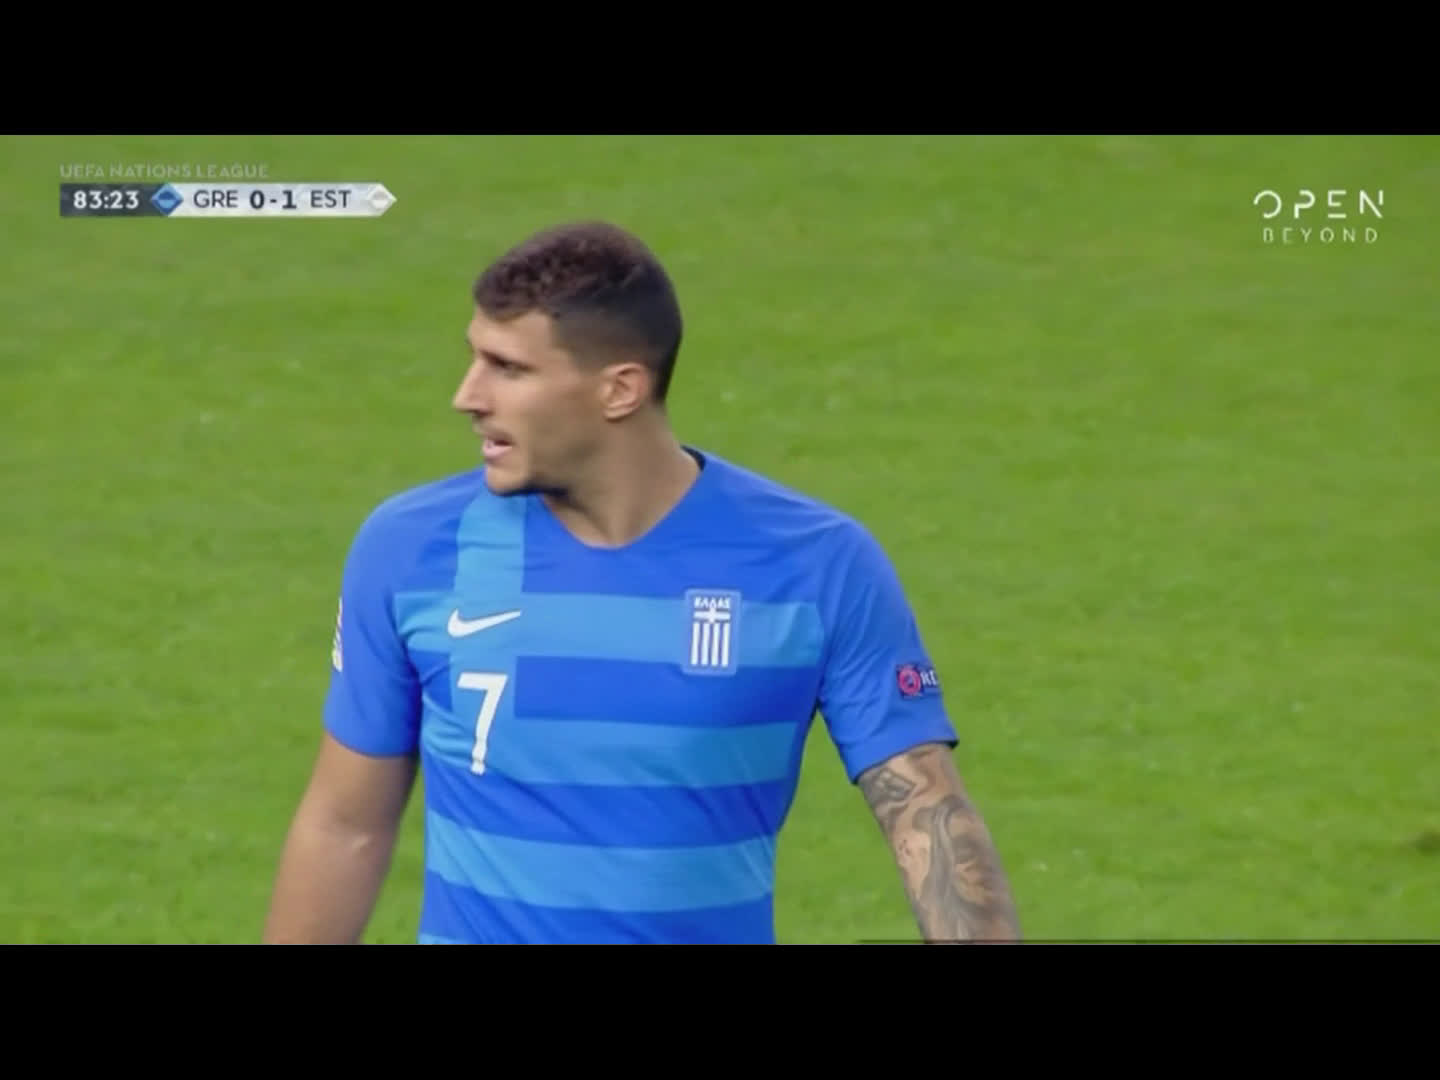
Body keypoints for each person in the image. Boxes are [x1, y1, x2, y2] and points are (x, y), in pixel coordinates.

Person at [262, 221, 1021, 945]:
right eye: (475, 358)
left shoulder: (814, 564)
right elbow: (345, 825)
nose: (469, 395)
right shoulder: (411, 549)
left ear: (619, 390)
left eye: (509, 368)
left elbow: (926, 812)